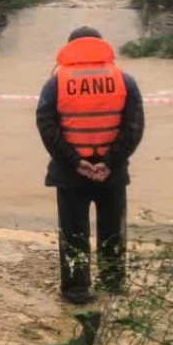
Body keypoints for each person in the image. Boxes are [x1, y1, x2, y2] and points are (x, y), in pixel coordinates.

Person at [36, 27, 145, 305]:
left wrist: (76, 162)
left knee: (73, 234)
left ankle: (76, 290)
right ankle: (112, 282)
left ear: (70, 48)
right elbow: (133, 127)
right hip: (112, 173)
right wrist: (110, 162)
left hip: (70, 173)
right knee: (113, 232)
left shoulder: (56, 83)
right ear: (102, 46)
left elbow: (47, 127)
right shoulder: (124, 80)